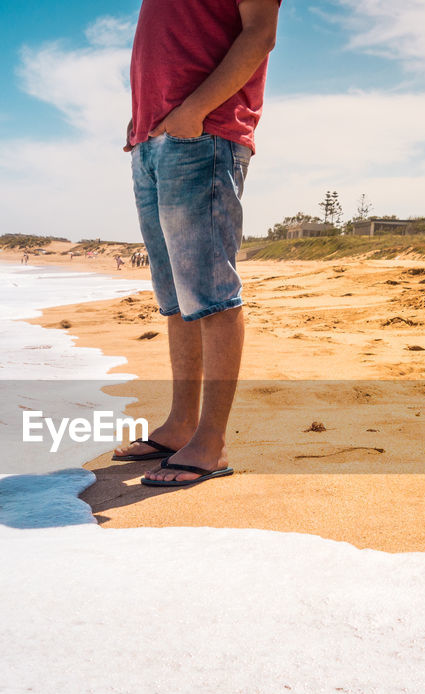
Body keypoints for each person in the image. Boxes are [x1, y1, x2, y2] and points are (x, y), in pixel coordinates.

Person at [113, 0, 279, 486]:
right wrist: (142, 119)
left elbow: (260, 33)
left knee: (211, 294)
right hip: (153, 139)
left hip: (203, 134)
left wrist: (193, 111)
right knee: (176, 300)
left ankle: (211, 440)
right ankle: (181, 424)